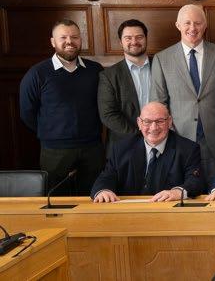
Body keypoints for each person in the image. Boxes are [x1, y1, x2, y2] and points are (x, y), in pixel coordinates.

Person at [20, 19, 105, 196]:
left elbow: (104, 106)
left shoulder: (95, 70)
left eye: (74, 37)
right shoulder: (37, 73)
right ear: (53, 42)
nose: (69, 41)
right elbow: (27, 113)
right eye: (63, 37)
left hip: (92, 148)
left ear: (80, 40)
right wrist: (52, 132)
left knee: (94, 197)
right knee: (57, 200)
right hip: (54, 150)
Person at [151, 4, 215, 181]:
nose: (192, 28)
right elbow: (158, 103)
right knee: (183, 193)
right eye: (187, 23)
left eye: (197, 23)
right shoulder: (162, 59)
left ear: (205, 25)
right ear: (178, 25)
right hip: (179, 140)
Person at [90, 102, 204, 202]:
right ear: (139, 123)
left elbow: (195, 182)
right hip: (130, 213)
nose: (154, 127)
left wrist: (178, 192)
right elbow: (106, 177)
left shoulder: (188, 149)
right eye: (147, 122)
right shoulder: (121, 149)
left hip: (168, 212)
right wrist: (103, 191)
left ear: (169, 122)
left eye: (160, 121)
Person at [98, 19, 152, 152]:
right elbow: (108, 114)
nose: (134, 42)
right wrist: (141, 135)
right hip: (125, 146)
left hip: (163, 141)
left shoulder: (162, 66)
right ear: (120, 42)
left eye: (139, 37)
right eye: (128, 38)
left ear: (146, 39)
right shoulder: (109, 76)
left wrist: (158, 133)